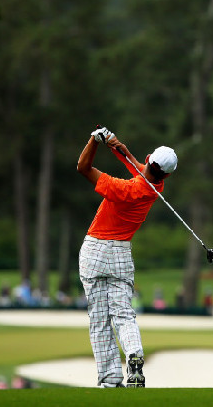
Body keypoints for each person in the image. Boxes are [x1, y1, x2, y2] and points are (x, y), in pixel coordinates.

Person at [76, 125, 178, 388]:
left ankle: (110, 379)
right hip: (121, 253)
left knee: (99, 318)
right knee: (123, 313)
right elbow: (140, 172)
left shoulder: (121, 189)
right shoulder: (156, 188)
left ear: (149, 159)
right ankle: (134, 355)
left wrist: (95, 141)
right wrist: (119, 147)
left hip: (95, 250)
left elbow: (83, 168)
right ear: (165, 174)